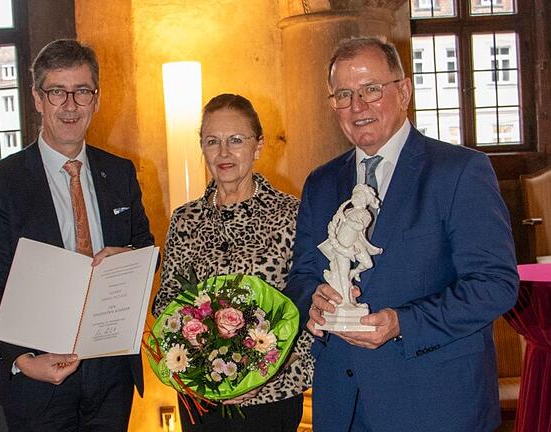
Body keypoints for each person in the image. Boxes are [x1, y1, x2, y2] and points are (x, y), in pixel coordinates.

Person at [284, 37, 519, 431]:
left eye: (371, 89)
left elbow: (495, 285)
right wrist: (314, 301)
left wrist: (402, 322)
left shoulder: (459, 172)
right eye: (343, 94)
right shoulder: (321, 183)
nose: (358, 106)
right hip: (344, 404)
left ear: (404, 91)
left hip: (436, 403)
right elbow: (302, 277)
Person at [0, 39, 154, 431]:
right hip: (38, 374)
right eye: (57, 92)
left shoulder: (120, 173)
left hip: (110, 372)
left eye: (82, 91)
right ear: (38, 98)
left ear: (96, 99)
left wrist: (128, 259)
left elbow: (145, 248)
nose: (70, 105)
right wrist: (22, 358)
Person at [152, 93, 314, 432]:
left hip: (271, 397)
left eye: (236, 140)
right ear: (202, 148)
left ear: (258, 146)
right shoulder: (185, 220)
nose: (223, 153)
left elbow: (312, 306)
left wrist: (268, 370)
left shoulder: (291, 216)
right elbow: (167, 304)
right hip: (201, 400)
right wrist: (195, 370)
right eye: (212, 141)